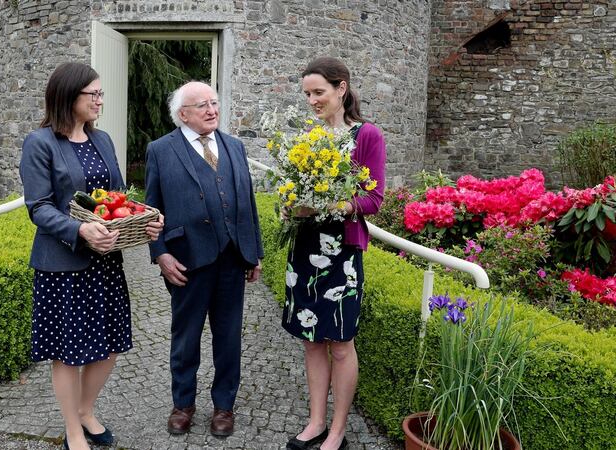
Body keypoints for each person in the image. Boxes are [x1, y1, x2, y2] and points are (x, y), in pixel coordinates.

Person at [19, 62, 163, 450]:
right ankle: (72, 428)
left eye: (101, 93)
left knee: (111, 346)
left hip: (106, 262)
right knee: (68, 353)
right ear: (69, 96)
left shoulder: (103, 141)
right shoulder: (41, 143)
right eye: (93, 94)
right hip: (63, 265)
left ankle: (86, 410)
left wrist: (143, 218)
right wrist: (79, 230)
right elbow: (38, 206)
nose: (100, 100)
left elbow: (115, 198)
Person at [144, 81, 264, 438]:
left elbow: (248, 204)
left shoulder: (235, 146)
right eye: (202, 105)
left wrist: (253, 251)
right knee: (186, 337)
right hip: (186, 261)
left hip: (232, 258)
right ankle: (183, 404)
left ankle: (224, 407)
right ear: (183, 114)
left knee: (228, 337)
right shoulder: (160, 150)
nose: (212, 110)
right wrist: (160, 253)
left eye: (214, 102)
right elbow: (151, 210)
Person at [282, 57, 386, 450]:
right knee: (310, 339)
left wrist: (323, 205)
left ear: (341, 88)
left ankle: (338, 430)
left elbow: (373, 199)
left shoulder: (367, 135)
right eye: (307, 94)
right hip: (305, 247)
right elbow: (292, 186)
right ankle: (315, 422)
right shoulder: (307, 135)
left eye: (318, 92)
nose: (312, 100)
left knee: (341, 342)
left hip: (342, 249)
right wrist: (291, 203)